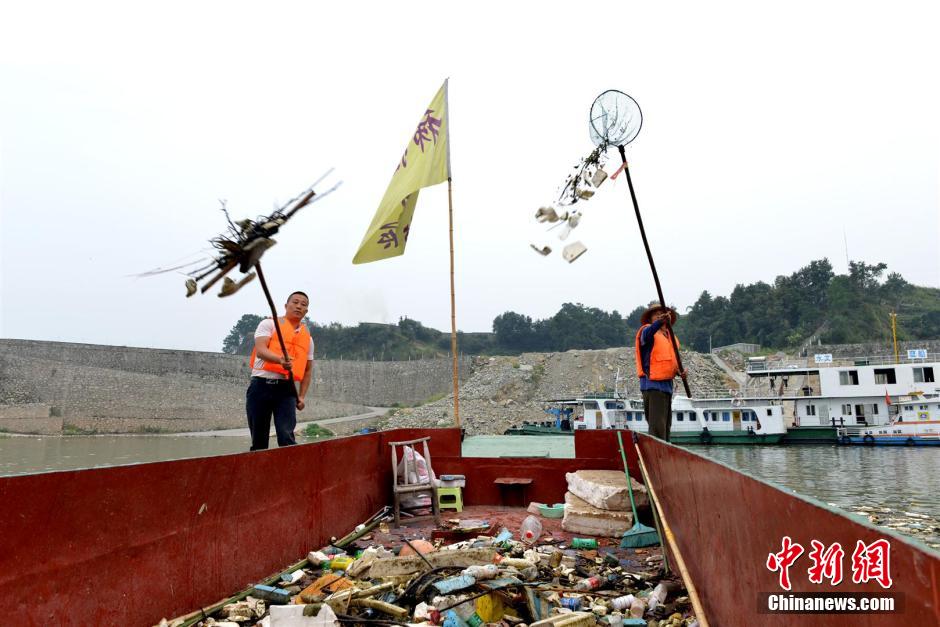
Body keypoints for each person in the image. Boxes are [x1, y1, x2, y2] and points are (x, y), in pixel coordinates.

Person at [246, 291, 314, 450]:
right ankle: (260, 472)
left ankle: (290, 472)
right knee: (259, 439)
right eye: (295, 302)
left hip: (286, 390)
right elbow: (261, 350)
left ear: (306, 311)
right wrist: (279, 360)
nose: (299, 306)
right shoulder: (268, 324)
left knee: (286, 437)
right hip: (260, 386)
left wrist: (302, 396)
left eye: (303, 304)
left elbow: (308, 370)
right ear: (286, 305)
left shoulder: (308, 339)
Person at [634, 303, 685, 441]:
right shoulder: (647, 332)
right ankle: (657, 456)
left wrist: (679, 372)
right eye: (656, 315)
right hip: (652, 386)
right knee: (657, 427)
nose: (661, 316)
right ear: (651, 319)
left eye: (663, 314)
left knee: (666, 426)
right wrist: (659, 322)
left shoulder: (670, 338)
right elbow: (648, 333)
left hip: (667, 387)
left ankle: (665, 454)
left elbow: (671, 362)